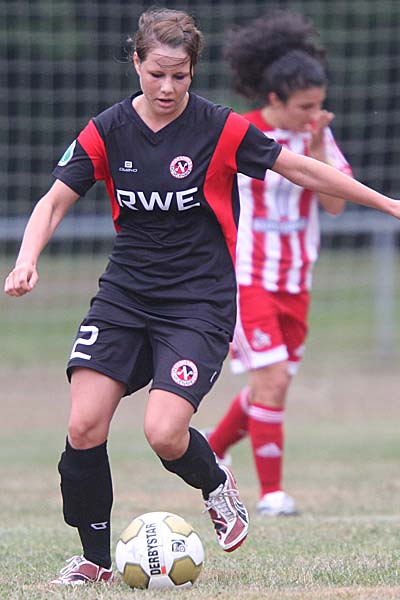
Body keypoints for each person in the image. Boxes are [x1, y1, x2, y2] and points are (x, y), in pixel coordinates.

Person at [4, 7, 400, 587]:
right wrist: (26, 259)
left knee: (164, 433)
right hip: (124, 297)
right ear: (136, 63)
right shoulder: (108, 129)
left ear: (194, 71)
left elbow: (301, 171)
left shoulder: (220, 128)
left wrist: (389, 204)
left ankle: (216, 483)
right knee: (84, 425)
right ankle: (94, 561)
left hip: (198, 302)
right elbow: (54, 200)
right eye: (156, 73)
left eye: (180, 76)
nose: (167, 88)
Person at [205, 10, 352, 518]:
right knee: (271, 381)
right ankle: (272, 496)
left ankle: (212, 448)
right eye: (304, 107)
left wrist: (318, 148)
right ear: (274, 100)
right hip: (247, 279)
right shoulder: (240, 133)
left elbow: (335, 203)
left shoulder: (317, 138)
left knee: (274, 383)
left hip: (296, 283)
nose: (314, 114)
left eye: (319, 105)